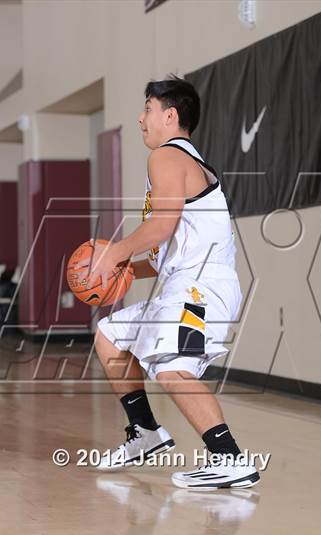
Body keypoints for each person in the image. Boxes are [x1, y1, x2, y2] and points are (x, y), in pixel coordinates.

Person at [90, 75, 259, 489]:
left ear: (170, 115)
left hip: (200, 288)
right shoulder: (181, 161)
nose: (140, 118)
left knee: (173, 367)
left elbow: (161, 226)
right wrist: (125, 270)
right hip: (186, 283)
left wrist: (113, 252)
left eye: (147, 109)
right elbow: (164, 250)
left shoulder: (166, 157)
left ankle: (230, 459)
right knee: (111, 335)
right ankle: (145, 432)